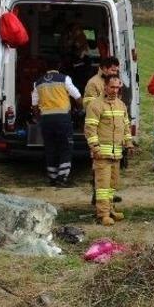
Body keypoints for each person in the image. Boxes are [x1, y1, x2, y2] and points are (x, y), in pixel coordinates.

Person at [84, 74, 133, 226]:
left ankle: (110, 209)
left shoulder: (121, 105)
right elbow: (90, 129)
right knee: (103, 186)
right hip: (102, 154)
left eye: (118, 87)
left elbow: (126, 126)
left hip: (116, 154)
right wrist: (95, 147)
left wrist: (129, 142)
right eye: (112, 87)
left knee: (112, 185)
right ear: (105, 87)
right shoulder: (95, 105)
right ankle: (103, 214)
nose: (115, 90)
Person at [32, 57, 82, 187]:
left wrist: (38, 119)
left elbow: (34, 105)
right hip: (62, 118)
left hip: (46, 119)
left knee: (50, 147)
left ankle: (52, 177)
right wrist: (81, 109)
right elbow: (77, 96)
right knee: (65, 146)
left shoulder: (38, 83)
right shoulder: (64, 79)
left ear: (45, 67)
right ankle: (62, 177)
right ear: (59, 66)